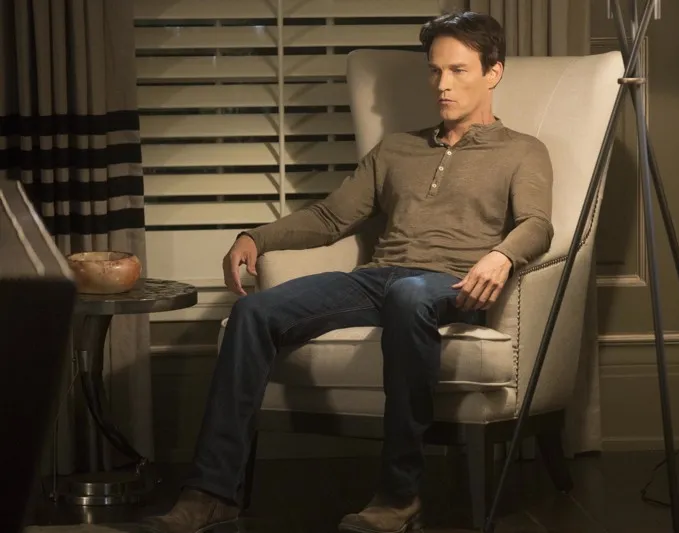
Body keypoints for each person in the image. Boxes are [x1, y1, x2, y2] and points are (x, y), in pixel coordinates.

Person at [143, 10, 553, 533]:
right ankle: (212, 493)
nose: (442, 85)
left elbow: (537, 224)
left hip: (449, 283)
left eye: (458, 70)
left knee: (409, 295)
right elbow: (331, 217)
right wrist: (256, 237)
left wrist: (502, 256)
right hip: (377, 277)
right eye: (434, 71)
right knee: (252, 312)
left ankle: (400, 495)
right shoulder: (397, 148)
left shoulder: (522, 150)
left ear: (493, 72)